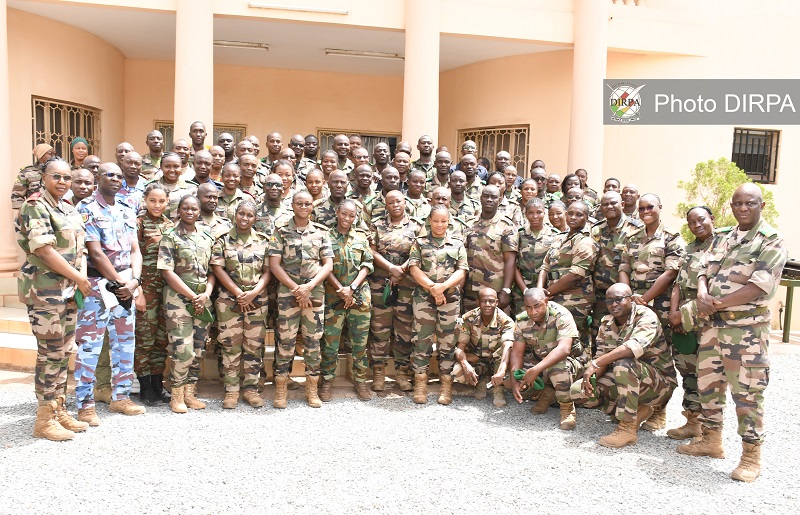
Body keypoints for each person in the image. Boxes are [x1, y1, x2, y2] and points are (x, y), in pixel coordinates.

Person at [678, 184, 786, 483]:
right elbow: (703, 267)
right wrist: (701, 292)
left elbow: (760, 286)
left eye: (749, 203)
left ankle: (751, 456)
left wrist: (716, 304)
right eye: (737, 203)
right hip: (713, 328)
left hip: (745, 330)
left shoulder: (771, 241)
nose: (742, 208)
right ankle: (711, 441)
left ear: (761, 205)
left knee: (747, 394)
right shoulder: (724, 236)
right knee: (708, 386)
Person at [16, 157, 90, 441]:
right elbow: (44, 251)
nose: (62, 182)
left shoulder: (68, 209)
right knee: (50, 354)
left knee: (64, 352)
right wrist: (80, 278)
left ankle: (58, 410)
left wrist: (79, 277)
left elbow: (79, 247)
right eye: (56, 177)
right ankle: (43, 419)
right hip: (44, 292)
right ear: (44, 178)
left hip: (68, 291)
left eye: (66, 178)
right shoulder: (35, 206)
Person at [74, 162, 145, 425]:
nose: (115, 179)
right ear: (97, 179)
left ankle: (121, 398)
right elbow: (95, 252)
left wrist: (134, 282)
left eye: (118, 175)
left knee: (125, 344)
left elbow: (135, 250)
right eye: (109, 175)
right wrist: (119, 282)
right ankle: (85, 405)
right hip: (98, 286)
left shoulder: (127, 209)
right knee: (90, 348)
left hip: (126, 284)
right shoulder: (87, 209)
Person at [571, 283, 677, 448]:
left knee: (623, 363)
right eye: (610, 301)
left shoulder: (645, 316)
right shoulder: (606, 322)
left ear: (631, 299)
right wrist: (588, 380)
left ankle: (627, 428)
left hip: (659, 385)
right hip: (628, 380)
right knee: (579, 393)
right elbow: (601, 358)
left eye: (619, 299)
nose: (614, 304)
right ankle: (637, 410)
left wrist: (596, 363)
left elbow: (632, 348)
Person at [619, 193, 685, 430]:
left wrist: (646, 299)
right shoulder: (632, 237)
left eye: (650, 207)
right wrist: (628, 295)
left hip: (659, 305)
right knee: (639, 353)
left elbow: (670, 274)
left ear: (660, 207)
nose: (645, 211)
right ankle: (638, 406)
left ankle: (659, 412)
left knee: (661, 358)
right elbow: (624, 267)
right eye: (641, 208)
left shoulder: (672, 238)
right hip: (634, 304)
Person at [268, 191, 333, 408]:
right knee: (285, 341)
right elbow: (275, 264)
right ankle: (281, 387)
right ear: (292, 205)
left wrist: (309, 287)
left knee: (313, 342)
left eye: (307, 203)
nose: (303, 206)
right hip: (289, 293)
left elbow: (328, 264)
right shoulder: (281, 231)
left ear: (312, 206)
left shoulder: (322, 232)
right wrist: (297, 288)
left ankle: (311, 389)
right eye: (299, 203)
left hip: (314, 293)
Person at [158, 195, 216, 413]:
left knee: (199, 347)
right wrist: (193, 296)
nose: (190, 212)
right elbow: (166, 271)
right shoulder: (170, 236)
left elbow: (213, 271)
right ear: (179, 211)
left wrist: (207, 294)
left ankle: (190, 393)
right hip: (179, 300)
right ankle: (177, 394)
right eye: (185, 208)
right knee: (183, 348)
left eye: (194, 208)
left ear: (199, 211)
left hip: (202, 300)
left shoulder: (207, 237)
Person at [211, 201, 271, 409]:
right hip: (229, 300)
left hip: (257, 301)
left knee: (254, 346)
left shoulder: (263, 241)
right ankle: (231, 390)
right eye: (241, 214)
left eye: (249, 215)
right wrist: (238, 293)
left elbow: (268, 270)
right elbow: (218, 269)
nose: (245, 218)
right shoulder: (223, 241)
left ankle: (251, 390)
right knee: (230, 345)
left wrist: (253, 293)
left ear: (255, 218)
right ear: (235, 215)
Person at [408, 205, 469, 404]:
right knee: (421, 340)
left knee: (448, 342)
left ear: (448, 221)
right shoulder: (420, 242)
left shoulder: (457, 244)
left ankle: (445, 385)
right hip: (424, 298)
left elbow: (461, 271)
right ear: (430, 221)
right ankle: (420, 384)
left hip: (449, 299)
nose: (440, 225)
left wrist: (442, 288)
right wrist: (433, 288)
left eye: (443, 221)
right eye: (436, 221)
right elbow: (414, 268)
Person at [665, 206, 715, 440]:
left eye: (701, 220)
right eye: (692, 222)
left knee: (708, 373)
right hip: (684, 321)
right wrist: (675, 314)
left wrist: (683, 314)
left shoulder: (722, 247)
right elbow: (677, 284)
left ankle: (709, 431)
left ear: (711, 219)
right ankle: (692, 421)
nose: (697, 225)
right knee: (688, 371)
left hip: (706, 320)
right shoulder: (689, 248)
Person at [368, 190, 423, 392]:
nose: (395, 205)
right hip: (381, 284)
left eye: (398, 201)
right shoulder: (377, 225)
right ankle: (379, 372)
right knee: (379, 329)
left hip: (407, 284)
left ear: (405, 202)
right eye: (391, 202)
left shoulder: (416, 225)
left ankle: (402, 373)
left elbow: (418, 250)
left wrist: (401, 270)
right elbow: (371, 251)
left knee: (404, 331)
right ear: (386, 204)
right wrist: (391, 269)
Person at [320, 200, 374, 401]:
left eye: (351, 216)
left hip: (359, 298)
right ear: (337, 212)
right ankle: (326, 381)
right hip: (334, 298)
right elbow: (324, 266)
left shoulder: (361, 237)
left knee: (359, 343)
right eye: (344, 214)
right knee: (330, 343)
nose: (347, 218)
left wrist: (351, 288)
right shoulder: (325, 236)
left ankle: (360, 380)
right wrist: (341, 290)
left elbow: (367, 264)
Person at [509, 288, 584, 429]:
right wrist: (514, 381)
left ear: (546, 301)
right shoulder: (522, 320)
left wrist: (535, 370)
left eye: (537, 306)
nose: (533, 312)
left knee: (557, 368)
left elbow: (564, 349)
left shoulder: (561, 315)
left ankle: (567, 408)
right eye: (528, 308)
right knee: (513, 376)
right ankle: (547, 393)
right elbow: (517, 353)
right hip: (541, 361)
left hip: (571, 363)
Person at [134, 183, 174, 405]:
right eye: (152, 200)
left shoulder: (171, 225)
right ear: (145, 201)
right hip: (146, 291)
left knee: (160, 339)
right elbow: (133, 257)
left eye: (161, 201)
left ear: (167, 202)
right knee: (145, 339)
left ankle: (158, 383)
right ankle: (144, 385)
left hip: (165, 292)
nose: (157, 205)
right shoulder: (139, 224)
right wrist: (138, 290)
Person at [538, 200, 597, 350]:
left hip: (575, 298)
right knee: (552, 337)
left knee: (571, 341)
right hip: (552, 296)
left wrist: (547, 293)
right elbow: (545, 265)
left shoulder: (585, 241)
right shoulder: (559, 238)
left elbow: (576, 275)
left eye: (579, 215)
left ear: (587, 218)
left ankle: (578, 369)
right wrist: (539, 290)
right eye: (570, 213)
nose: (573, 217)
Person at [590, 191, 643, 344]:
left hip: (627, 295)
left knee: (627, 335)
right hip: (602, 296)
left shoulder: (636, 229)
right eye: (605, 204)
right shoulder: (595, 230)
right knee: (599, 335)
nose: (609, 206)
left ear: (622, 204)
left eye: (613, 203)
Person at [452, 288, 515, 407]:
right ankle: (482, 380)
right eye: (483, 301)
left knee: (510, 366)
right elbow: (460, 348)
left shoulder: (506, 322)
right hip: (478, 360)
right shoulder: (469, 319)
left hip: (498, 361)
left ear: (497, 302)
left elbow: (508, 347)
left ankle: (498, 387)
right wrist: (466, 366)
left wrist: (501, 371)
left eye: (491, 301)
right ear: (477, 302)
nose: (487, 305)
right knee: (457, 372)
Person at [464, 185, 518, 312]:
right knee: (471, 327)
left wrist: (506, 290)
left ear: (499, 200)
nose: (489, 200)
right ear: (480, 198)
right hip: (471, 290)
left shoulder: (506, 226)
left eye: (493, 197)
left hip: (495, 291)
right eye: (486, 196)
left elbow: (510, 260)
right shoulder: (469, 223)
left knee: (496, 328)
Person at [512, 198, 558, 313]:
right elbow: (513, 264)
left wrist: (547, 290)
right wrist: (524, 290)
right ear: (525, 214)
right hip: (523, 287)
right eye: (530, 213)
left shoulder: (554, 235)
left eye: (539, 212)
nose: (535, 216)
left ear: (544, 212)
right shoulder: (520, 234)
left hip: (547, 288)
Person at [151, 152, 197, 221]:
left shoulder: (192, 188)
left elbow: (196, 213)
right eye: (167, 166)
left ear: (181, 167)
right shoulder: (151, 187)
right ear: (161, 167)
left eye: (176, 166)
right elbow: (143, 211)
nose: (172, 170)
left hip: (183, 229)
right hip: (156, 229)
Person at [11, 143, 55, 209]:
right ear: (41, 155)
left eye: (54, 154)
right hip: (34, 212)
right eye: (50, 153)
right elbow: (17, 194)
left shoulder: (56, 172)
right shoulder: (27, 173)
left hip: (54, 211)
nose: (53, 156)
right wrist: (24, 211)